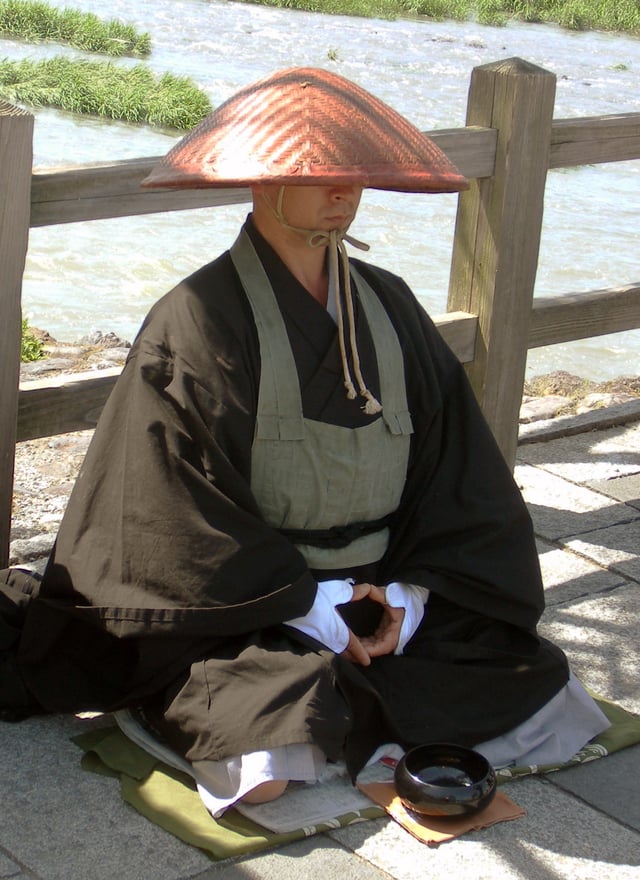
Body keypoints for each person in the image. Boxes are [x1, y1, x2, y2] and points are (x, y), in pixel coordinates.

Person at [1, 67, 608, 814]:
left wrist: (408, 602)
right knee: (269, 748)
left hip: (379, 589)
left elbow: (460, 479)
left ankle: (380, 665)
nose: (343, 188)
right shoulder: (195, 319)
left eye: (354, 171)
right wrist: (311, 605)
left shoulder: (389, 303)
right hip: (248, 606)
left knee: (543, 690)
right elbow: (169, 514)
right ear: (259, 181)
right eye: (319, 171)